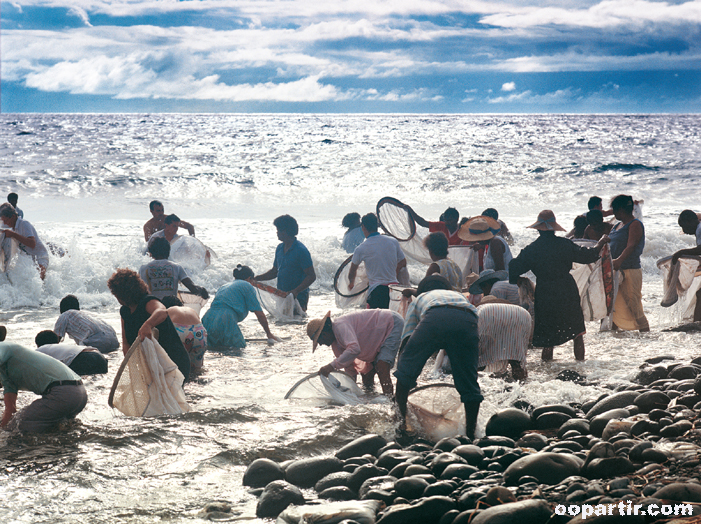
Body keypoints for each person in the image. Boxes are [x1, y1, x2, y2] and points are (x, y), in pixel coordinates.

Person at [509, 210, 609, 361]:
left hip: (545, 292)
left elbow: (513, 267)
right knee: (577, 333)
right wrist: (601, 242)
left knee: (548, 339)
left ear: (538, 229)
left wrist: (518, 280)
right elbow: (588, 256)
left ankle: (548, 370)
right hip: (566, 289)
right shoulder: (565, 244)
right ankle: (580, 366)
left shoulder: (532, 249)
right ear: (554, 228)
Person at [394, 275, 482, 439]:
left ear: (422, 290)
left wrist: (404, 373)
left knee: (405, 371)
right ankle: (471, 433)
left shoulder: (419, 299)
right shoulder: (458, 296)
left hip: (435, 317)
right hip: (468, 319)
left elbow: (407, 339)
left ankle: (400, 425)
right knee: (469, 382)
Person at [107, 268, 191, 382]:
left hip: (173, 361)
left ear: (123, 293)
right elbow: (126, 343)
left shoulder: (147, 302)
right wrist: (132, 367)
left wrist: (148, 325)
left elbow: (162, 311)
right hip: (151, 365)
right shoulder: (125, 311)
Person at [307, 309, 404, 396]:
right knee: (366, 376)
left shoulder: (340, 326)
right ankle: (372, 399)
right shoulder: (336, 346)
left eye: (319, 341)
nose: (320, 344)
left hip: (390, 322)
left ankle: (391, 401)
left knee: (382, 366)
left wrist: (331, 366)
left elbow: (354, 349)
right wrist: (350, 391)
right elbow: (349, 368)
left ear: (324, 334)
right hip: (374, 337)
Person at [0, 341, 87, 433]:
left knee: (19, 425)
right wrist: (2, 429)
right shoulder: (7, 377)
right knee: (13, 425)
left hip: (62, 392)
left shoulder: (4, 346)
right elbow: (10, 410)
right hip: (78, 393)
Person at [203, 265, 280, 348]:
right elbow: (259, 314)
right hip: (225, 318)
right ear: (250, 278)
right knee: (237, 350)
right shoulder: (247, 285)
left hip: (207, 319)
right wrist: (269, 333)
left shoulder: (224, 286)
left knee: (212, 349)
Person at [254, 215, 316, 311]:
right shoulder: (279, 248)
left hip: (299, 297)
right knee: (284, 324)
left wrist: (296, 291)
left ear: (285, 231)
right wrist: (257, 279)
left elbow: (311, 276)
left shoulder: (301, 250)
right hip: (282, 294)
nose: (277, 233)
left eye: (278, 230)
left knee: (298, 323)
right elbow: (274, 272)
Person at [608, 194, 650, 332]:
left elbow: (631, 245)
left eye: (614, 209)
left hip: (630, 270)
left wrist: (619, 260)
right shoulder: (617, 226)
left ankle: (646, 335)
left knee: (634, 306)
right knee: (613, 306)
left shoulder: (635, 224)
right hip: (615, 270)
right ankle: (613, 338)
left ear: (621, 209)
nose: (613, 213)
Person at [349, 213, 407, 309]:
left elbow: (352, 271)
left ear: (363, 227)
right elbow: (403, 262)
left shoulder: (361, 248)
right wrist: (394, 274)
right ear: (377, 226)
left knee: (375, 321)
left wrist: (351, 283)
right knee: (393, 320)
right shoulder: (393, 241)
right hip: (394, 289)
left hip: (377, 291)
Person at [140, 237, 209, 300]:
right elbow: (193, 288)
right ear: (168, 251)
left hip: (151, 308)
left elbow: (139, 291)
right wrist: (202, 290)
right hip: (171, 307)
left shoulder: (144, 268)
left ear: (151, 252)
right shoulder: (176, 267)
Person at [476, 303, 530, 381]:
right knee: (517, 361)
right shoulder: (487, 311)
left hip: (487, 316)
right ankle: (523, 385)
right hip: (522, 315)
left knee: (479, 359)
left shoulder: (480, 312)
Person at [53, 295, 120, 354]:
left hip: (96, 342)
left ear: (61, 310)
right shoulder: (86, 315)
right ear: (78, 308)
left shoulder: (65, 315)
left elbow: (54, 340)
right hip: (114, 341)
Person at [0, 202, 49, 279]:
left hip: (40, 257)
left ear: (13, 216)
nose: (5, 223)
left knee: (38, 279)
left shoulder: (24, 224)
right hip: (28, 259)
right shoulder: (14, 228)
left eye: (5, 220)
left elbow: (32, 243)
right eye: (3, 221)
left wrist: (13, 234)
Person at [160, 296, 208, 372]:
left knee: (178, 370)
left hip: (181, 331)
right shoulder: (190, 310)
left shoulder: (166, 311)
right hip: (199, 332)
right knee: (197, 370)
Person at [35, 330, 108, 375]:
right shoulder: (64, 348)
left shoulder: (41, 350)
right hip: (99, 356)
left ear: (38, 345)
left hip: (83, 358)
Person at [672, 210, 701, 322]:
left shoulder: (699, 229)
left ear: (692, 221)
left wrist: (681, 252)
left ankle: (697, 325)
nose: (684, 231)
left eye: (684, 226)